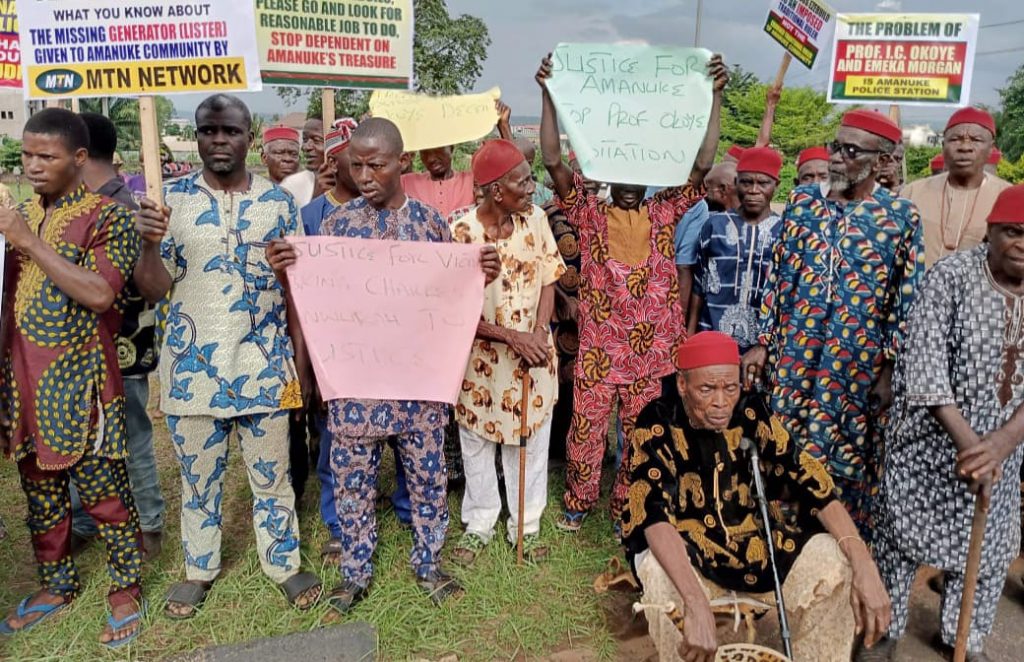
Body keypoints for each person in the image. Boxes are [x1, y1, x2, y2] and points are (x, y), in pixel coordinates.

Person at [265, 118, 501, 613]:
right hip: (355, 385)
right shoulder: (337, 225)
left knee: (427, 475)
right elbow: (317, 300)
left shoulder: (429, 225)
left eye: (377, 164)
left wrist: (477, 273)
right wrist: (291, 267)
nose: (366, 174)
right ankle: (354, 571)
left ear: (402, 163)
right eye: (357, 165)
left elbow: (448, 298)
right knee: (352, 479)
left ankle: (429, 561)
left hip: (417, 384)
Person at [132, 94, 321, 619]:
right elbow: (152, 290)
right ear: (197, 136)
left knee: (273, 478)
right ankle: (199, 568)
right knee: (198, 481)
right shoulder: (167, 203)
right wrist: (150, 243)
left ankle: (283, 563)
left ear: (249, 134)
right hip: (192, 373)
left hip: (264, 366)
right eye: (208, 131)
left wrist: (287, 271)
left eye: (230, 131)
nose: (219, 141)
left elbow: (299, 289)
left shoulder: (279, 204)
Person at [537, 52, 729, 532]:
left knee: (642, 435)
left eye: (635, 175)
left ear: (648, 176)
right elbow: (553, 161)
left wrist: (717, 96)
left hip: (652, 352)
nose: (627, 185)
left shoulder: (666, 211)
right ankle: (579, 502)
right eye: (618, 174)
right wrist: (548, 94)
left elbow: (702, 166)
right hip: (601, 349)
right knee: (585, 431)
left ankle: (628, 505)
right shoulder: (589, 211)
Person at [623, 331, 892, 662]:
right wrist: (695, 601)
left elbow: (812, 481)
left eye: (730, 388)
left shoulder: (751, 412)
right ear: (682, 384)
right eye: (707, 389)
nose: (721, 401)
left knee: (837, 562)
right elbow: (651, 512)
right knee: (659, 572)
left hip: (753, 547)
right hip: (689, 553)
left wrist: (864, 562)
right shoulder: (658, 422)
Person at [0, 108, 145, 646]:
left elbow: (101, 293)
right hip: (22, 379)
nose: (33, 166)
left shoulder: (108, 217)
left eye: (47, 156)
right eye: (27, 155)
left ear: (79, 159)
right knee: (38, 489)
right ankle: (55, 582)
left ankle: (126, 585)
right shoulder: (20, 214)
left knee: (103, 490)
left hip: (81, 382)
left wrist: (27, 241)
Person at [742, 109, 923, 537]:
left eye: (851, 151)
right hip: (794, 357)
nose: (838, 158)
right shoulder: (803, 205)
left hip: (855, 368)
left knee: (846, 458)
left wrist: (889, 368)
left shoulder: (900, 218)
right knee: (783, 443)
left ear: (880, 161)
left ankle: (836, 543)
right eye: (835, 147)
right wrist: (764, 342)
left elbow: (905, 300)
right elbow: (777, 276)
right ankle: (778, 540)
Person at [870, 185, 1024, 662]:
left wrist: (1000, 443)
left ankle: (964, 637)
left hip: (1003, 449)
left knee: (989, 549)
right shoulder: (950, 276)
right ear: (990, 232)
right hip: (929, 443)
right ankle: (884, 630)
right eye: (1013, 232)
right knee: (898, 540)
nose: (1022, 244)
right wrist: (970, 444)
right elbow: (924, 367)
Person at [449, 139, 566, 565]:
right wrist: (511, 337)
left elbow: (550, 277)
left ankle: (526, 525)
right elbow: (454, 312)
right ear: (497, 190)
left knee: (530, 441)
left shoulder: (535, 219)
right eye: (523, 180)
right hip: (483, 363)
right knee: (478, 440)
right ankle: (480, 522)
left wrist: (538, 331)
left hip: (534, 355)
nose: (532, 187)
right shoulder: (461, 233)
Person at [69, 112, 166, 560]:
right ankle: (86, 516)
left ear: (81, 152)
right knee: (80, 436)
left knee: (131, 437)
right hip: (86, 346)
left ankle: (148, 525)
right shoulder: (79, 204)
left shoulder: (120, 208)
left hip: (121, 346)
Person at [297, 117, 367, 561]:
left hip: (378, 349)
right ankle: (338, 525)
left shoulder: (386, 213)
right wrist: (310, 370)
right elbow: (303, 300)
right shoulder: (310, 218)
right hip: (331, 351)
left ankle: (395, 508)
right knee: (330, 442)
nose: (364, 173)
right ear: (332, 161)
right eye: (354, 162)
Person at [689, 148, 783, 351]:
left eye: (763, 183)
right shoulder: (715, 226)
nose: (753, 190)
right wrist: (689, 338)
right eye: (746, 182)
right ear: (736, 183)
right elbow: (698, 286)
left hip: (761, 349)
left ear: (776, 185)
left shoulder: (784, 231)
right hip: (711, 338)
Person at [902, 107, 1011, 267]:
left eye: (976, 140)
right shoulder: (913, 192)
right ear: (943, 145)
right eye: (955, 139)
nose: (965, 147)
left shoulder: (1008, 197)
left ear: (991, 149)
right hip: (917, 290)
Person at [402, 101, 513, 222]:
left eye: (437, 150)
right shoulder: (407, 183)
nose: (431, 158)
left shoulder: (473, 181)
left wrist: (503, 126)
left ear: (451, 148)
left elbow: (512, 176)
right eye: (425, 152)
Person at [281, 118, 325, 207]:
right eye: (305, 140)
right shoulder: (291, 186)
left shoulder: (356, 183)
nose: (306, 147)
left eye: (316, 140)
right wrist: (318, 195)